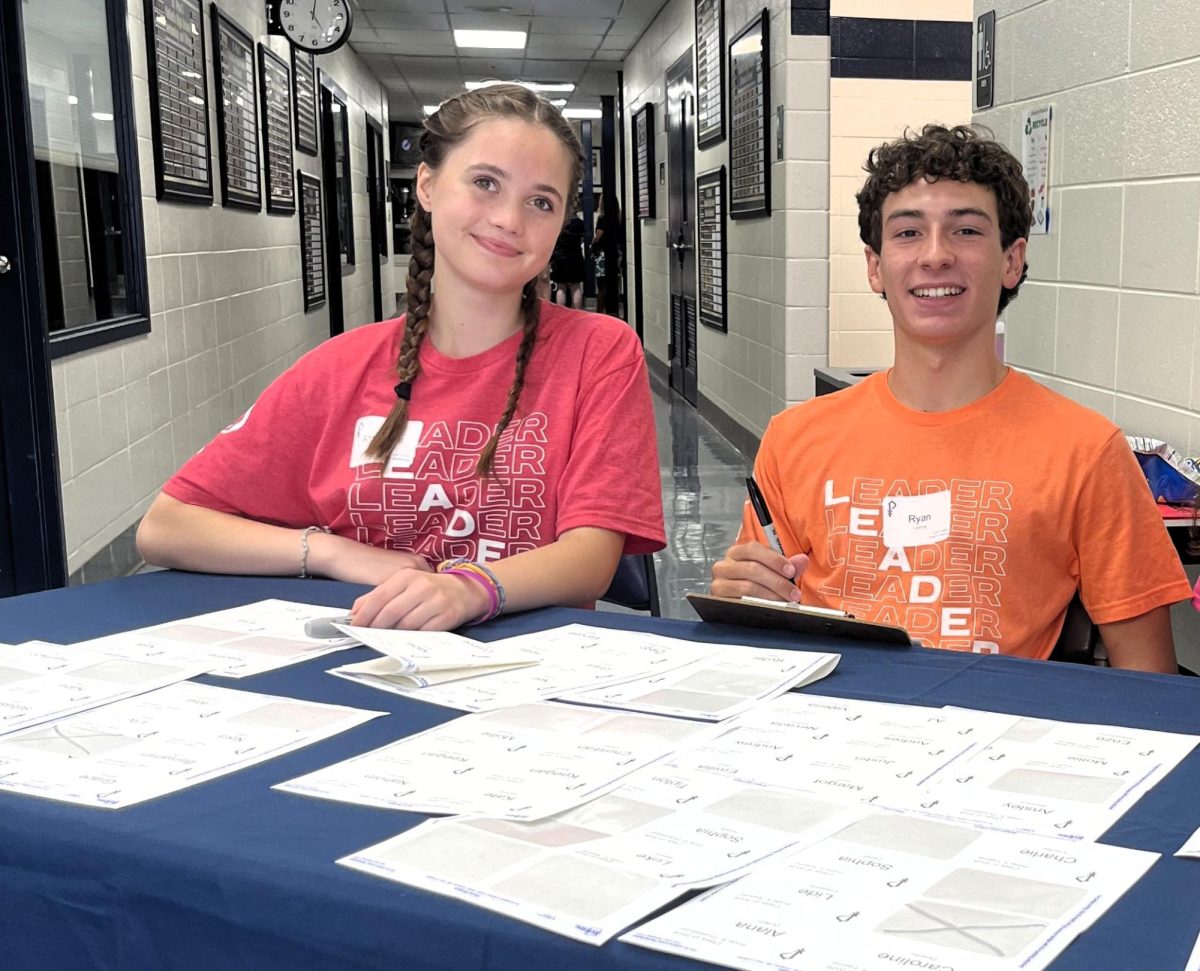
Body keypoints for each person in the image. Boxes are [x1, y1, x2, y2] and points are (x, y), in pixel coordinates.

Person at [137, 84, 664, 631]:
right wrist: (331, 553)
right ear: (429, 185)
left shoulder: (599, 352)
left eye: (541, 201)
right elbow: (167, 527)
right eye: (486, 183)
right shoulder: (341, 367)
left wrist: (468, 590)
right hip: (362, 653)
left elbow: (592, 559)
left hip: (527, 664)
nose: (510, 219)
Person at [711, 124, 1190, 672]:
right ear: (875, 266)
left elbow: (1147, 683)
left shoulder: (1085, 451)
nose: (935, 256)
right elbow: (763, 633)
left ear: (1012, 260)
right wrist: (740, 601)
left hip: (997, 737)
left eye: (965, 230)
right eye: (908, 233)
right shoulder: (796, 438)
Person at [593, 196, 624, 316]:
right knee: (613, 284)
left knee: (601, 286)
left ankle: (600, 313)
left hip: (603, 254)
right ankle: (613, 311)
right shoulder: (618, 217)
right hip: (616, 254)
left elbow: (599, 236)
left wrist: (593, 245)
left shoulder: (602, 218)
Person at [549, 212, 585, 308]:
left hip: (559, 258)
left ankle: (562, 315)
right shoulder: (578, 222)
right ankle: (577, 314)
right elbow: (582, 238)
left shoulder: (558, 220)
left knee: (561, 287)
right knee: (576, 287)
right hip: (575, 257)